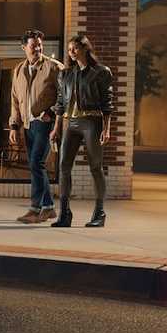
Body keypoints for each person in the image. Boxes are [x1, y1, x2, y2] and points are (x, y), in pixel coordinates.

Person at [49, 33, 114, 228]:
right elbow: (60, 104)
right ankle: (65, 214)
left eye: (75, 48)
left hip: (92, 121)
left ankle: (100, 213)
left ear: (85, 48)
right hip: (72, 123)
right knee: (63, 167)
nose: (71, 52)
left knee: (95, 167)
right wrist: (56, 128)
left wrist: (106, 129)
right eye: (69, 49)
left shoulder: (101, 72)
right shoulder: (66, 74)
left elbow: (107, 103)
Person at [7, 29, 61, 224]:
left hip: (45, 124)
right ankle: (42, 208)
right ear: (24, 48)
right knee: (34, 164)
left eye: (40, 45)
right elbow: (15, 99)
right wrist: (14, 126)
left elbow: (67, 95)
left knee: (36, 163)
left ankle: (42, 207)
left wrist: (52, 113)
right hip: (28, 125)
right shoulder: (19, 70)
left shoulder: (53, 68)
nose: (38, 48)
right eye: (33, 45)